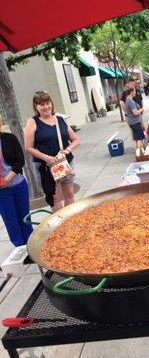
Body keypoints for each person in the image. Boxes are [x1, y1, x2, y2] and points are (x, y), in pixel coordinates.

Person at [24, 91, 80, 212]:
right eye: (41, 104)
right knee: (54, 197)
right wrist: (47, 158)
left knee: (70, 193)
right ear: (36, 106)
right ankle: (61, 224)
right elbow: (28, 147)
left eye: (47, 103)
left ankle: (71, 220)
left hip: (65, 162)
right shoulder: (32, 122)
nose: (46, 107)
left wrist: (67, 150)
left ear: (51, 103)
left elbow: (75, 140)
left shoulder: (60, 119)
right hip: (46, 167)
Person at [0, 115, 33, 247]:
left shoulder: (9, 138)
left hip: (18, 184)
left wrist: (9, 177)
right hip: (1, 191)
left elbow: (20, 160)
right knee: (11, 220)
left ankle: (30, 245)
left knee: (24, 217)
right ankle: (19, 248)